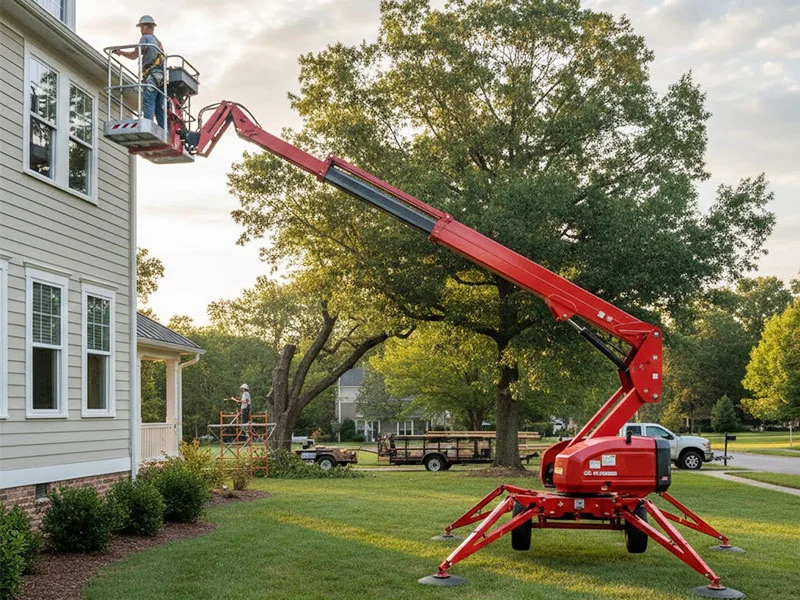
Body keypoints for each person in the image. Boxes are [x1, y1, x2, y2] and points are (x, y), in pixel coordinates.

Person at [113, 15, 166, 129]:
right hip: (161, 77)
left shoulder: (145, 38)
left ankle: (148, 128)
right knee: (159, 106)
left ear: (145, 27)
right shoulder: (158, 42)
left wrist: (121, 52)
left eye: (141, 27)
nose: (141, 30)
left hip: (151, 75)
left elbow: (134, 55)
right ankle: (164, 131)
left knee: (149, 100)